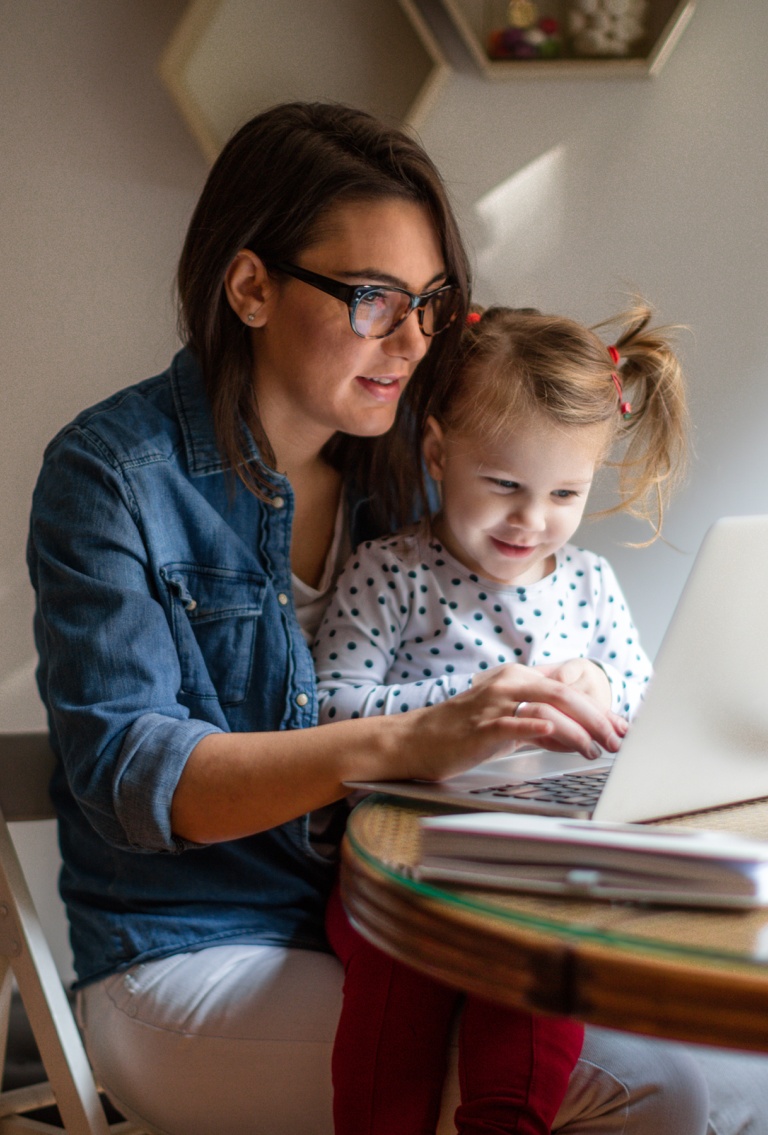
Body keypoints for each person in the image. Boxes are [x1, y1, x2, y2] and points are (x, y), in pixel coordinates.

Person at [24, 100, 768, 1135]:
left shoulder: (416, 463)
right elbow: (135, 777)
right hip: (194, 945)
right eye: (375, 299)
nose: (416, 340)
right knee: (660, 1085)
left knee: (725, 1057)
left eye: (431, 301)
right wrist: (414, 738)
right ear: (250, 285)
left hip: (411, 913)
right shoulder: (112, 475)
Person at [312, 301, 680, 1134]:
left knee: (543, 961)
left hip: (540, 864)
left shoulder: (587, 584)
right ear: (438, 451)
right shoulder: (392, 571)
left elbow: (646, 719)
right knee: (399, 976)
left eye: (564, 493)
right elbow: (330, 705)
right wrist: (466, 711)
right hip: (407, 863)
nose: (532, 519)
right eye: (505, 485)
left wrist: (600, 686)